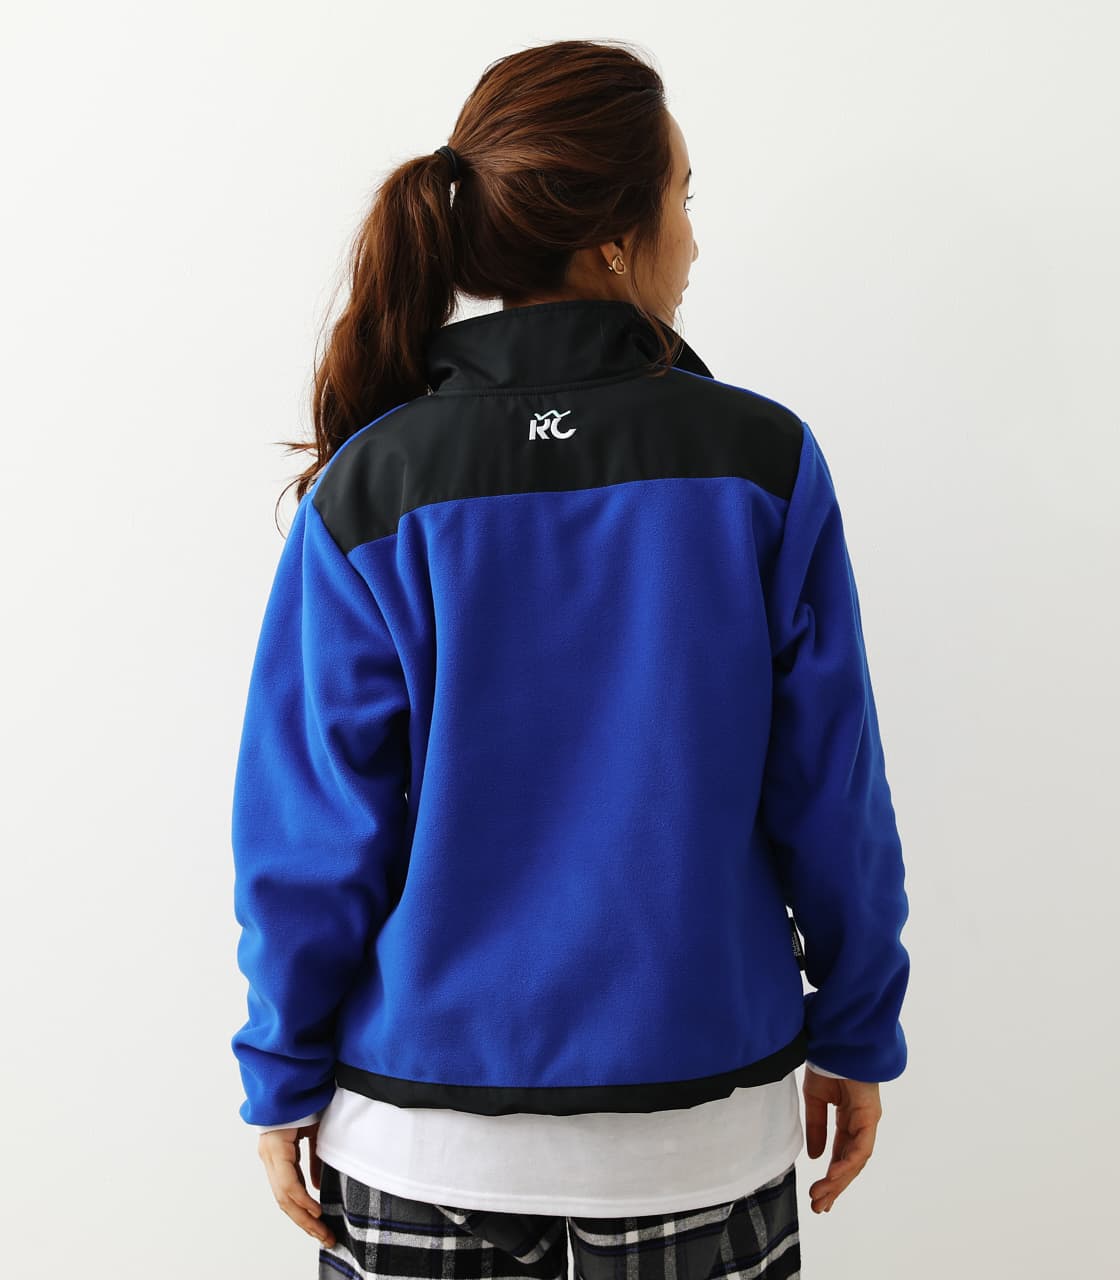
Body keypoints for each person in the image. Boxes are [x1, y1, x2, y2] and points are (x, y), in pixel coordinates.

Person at [229, 37, 910, 1280]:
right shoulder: (761, 464)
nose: (693, 239)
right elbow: (832, 791)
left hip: (419, 1133)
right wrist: (856, 1025)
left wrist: (279, 1070)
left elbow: (310, 826)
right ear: (611, 238)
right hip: (697, 1129)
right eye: (683, 197)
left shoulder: (375, 485)